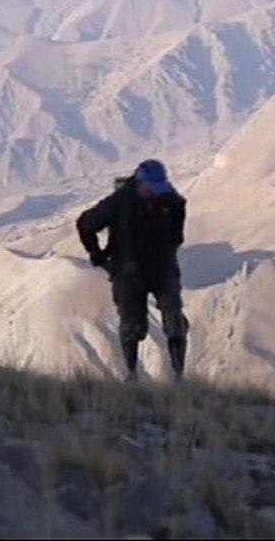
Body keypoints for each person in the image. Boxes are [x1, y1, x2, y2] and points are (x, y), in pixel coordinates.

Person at [77, 159, 189, 382]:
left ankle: (179, 376)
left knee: (175, 319)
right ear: (140, 184)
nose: (156, 194)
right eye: (152, 189)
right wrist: (97, 254)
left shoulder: (172, 201)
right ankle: (131, 374)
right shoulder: (119, 203)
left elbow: (177, 234)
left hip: (163, 268)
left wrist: (167, 252)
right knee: (132, 325)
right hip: (129, 272)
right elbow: (86, 224)